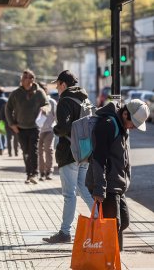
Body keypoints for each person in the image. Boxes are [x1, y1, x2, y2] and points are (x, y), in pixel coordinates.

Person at [86, 99, 149, 251]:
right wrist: (100, 188)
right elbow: (98, 159)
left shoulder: (122, 125)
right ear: (125, 113)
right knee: (113, 225)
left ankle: (111, 257)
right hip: (106, 185)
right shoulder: (107, 125)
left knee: (123, 222)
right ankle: (110, 260)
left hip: (117, 184)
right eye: (133, 123)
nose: (133, 127)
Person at [43, 70, 94, 244]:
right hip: (85, 151)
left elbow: (64, 127)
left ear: (63, 84)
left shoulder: (65, 100)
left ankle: (65, 232)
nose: (57, 88)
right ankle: (99, 219)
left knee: (69, 194)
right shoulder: (85, 99)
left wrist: (56, 129)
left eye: (57, 84)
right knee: (83, 188)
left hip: (69, 152)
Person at [5, 69, 49, 184]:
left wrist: (45, 109)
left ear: (33, 79)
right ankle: (28, 173)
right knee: (25, 151)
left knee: (33, 150)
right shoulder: (16, 93)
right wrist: (12, 124)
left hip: (34, 127)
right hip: (20, 127)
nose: (27, 80)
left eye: (30, 77)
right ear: (21, 80)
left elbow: (47, 104)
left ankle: (34, 173)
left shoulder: (39, 92)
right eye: (25, 78)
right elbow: (8, 109)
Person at [37, 82, 57, 181]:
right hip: (37, 131)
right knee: (39, 152)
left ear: (45, 91)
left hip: (49, 130)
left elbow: (57, 116)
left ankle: (49, 171)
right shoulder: (35, 102)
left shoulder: (52, 102)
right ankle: (41, 172)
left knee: (48, 150)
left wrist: (57, 127)